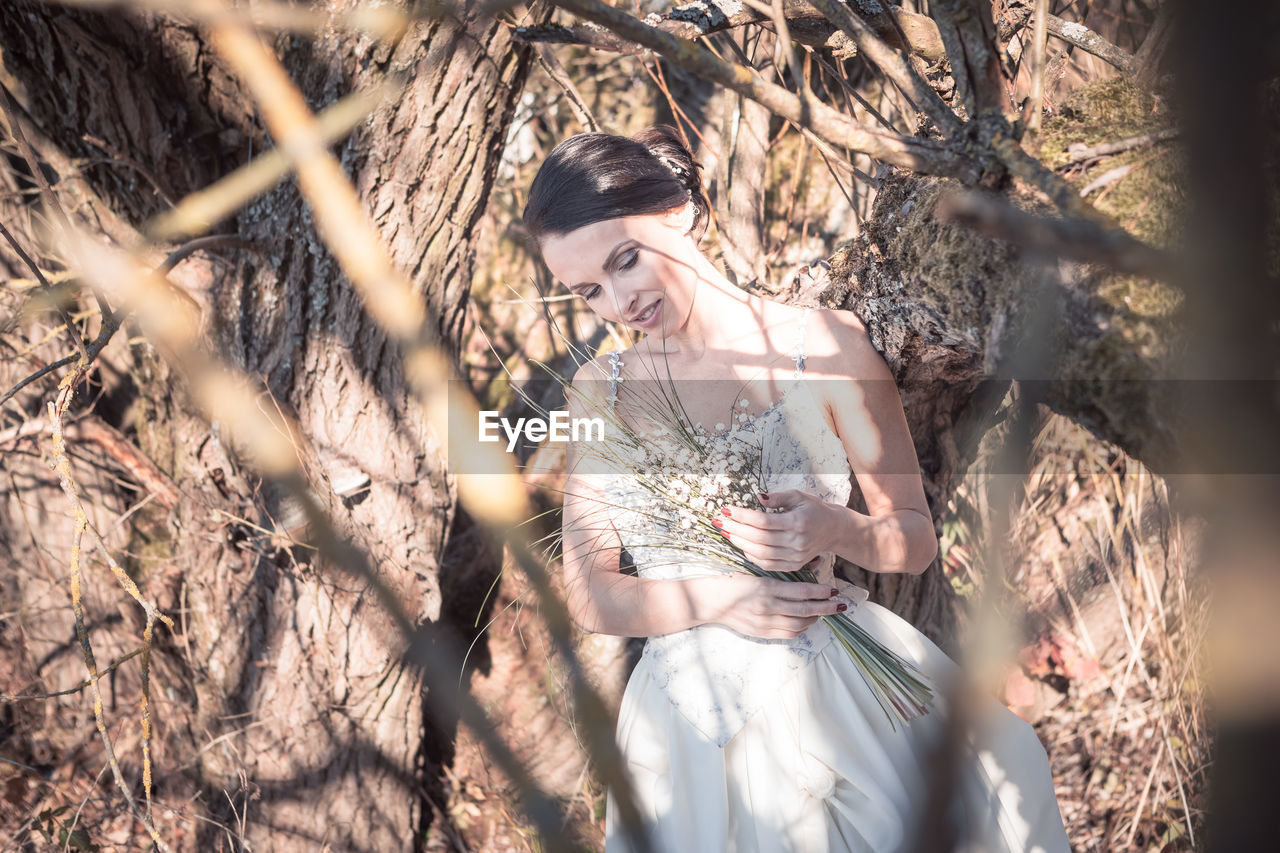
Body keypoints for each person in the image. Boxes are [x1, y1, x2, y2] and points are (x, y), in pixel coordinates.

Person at [521, 124, 1072, 853]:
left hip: (830, 692)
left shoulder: (827, 346)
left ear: (678, 211)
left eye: (626, 261)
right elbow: (591, 593)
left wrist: (832, 530)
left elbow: (911, 536)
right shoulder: (601, 392)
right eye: (589, 290)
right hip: (681, 730)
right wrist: (722, 599)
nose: (619, 301)